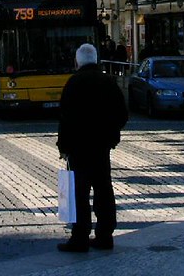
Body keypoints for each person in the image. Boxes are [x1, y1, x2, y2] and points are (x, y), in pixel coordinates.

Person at [55, 43, 129, 253]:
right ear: (96, 60)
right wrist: (111, 135)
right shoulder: (108, 81)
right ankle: (105, 235)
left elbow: (65, 118)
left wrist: (63, 146)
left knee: (79, 192)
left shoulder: (73, 83)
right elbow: (122, 114)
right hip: (101, 146)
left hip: (79, 147)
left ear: (77, 61)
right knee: (104, 189)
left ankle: (80, 237)